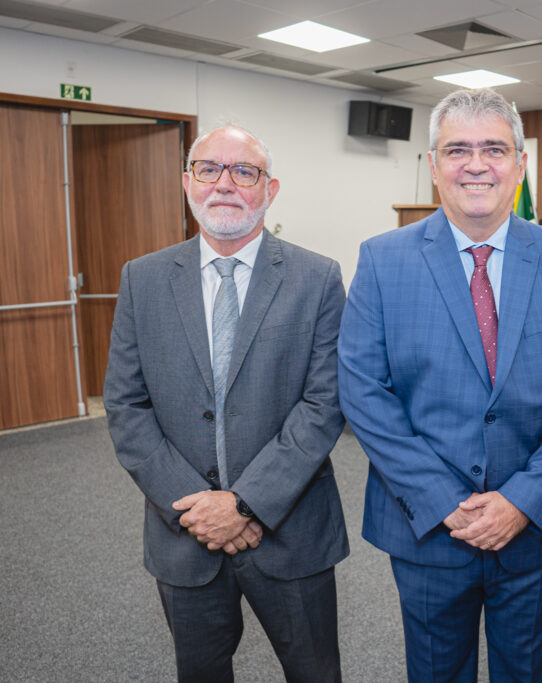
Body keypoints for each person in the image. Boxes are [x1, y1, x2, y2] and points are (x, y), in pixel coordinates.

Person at [338, 88, 542, 682]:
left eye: (493, 148)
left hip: (535, 524)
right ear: (434, 165)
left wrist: (523, 499)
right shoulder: (383, 260)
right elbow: (364, 391)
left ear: (518, 163)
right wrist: (443, 503)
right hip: (427, 526)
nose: (476, 163)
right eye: (457, 149)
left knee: (529, 672)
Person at [104, 124, 348, 682]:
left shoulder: (318, 279)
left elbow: (324, 404)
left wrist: (244, 505)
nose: (225, 184)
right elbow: (125, 405)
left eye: (245, 171)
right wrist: (199, 509)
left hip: (291, 532)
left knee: (315, 673)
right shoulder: (142, 280)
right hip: (184, 533)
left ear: (271, 188)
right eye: (209, 169)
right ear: (188, 182)